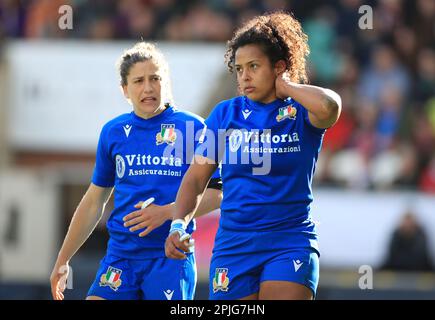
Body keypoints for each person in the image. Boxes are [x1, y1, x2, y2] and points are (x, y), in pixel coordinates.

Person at [165, 11, 341, 300]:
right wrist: (177, 224)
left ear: (279, 67)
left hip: (289, 240)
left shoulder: (299, 112)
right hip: (234, 245)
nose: (244, 76)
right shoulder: (225, 114)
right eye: (239, 68)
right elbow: (196, 179)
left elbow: (330, 106)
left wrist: (286, 87)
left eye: (254, 66)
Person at [50, 42, 222, 300]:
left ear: (166, 81)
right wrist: (63, 259)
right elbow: (94, 200)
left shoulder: (194, 127)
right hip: (121, 256)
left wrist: (165, 213)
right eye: (138, 81)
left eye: (155, 78)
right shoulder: (113, 132)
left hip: (170, 256)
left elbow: (216, 194)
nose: (148, 87)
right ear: (125, 90)